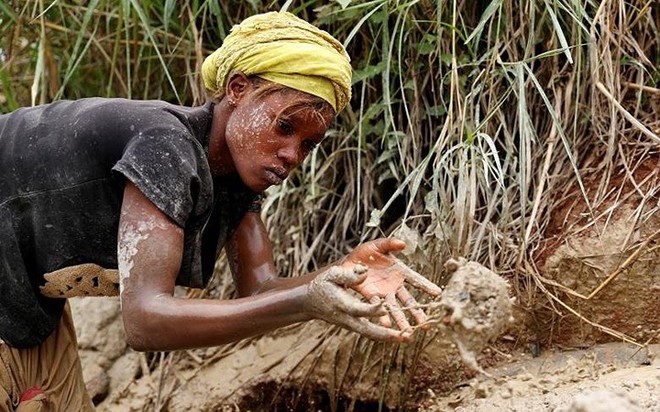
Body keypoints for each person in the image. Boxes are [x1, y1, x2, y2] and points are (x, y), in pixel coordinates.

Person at [0, 11, 441, 410]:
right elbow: (145, 320)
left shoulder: (231, 179)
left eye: (307, 144)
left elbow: (262, 290)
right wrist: (306, 302)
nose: (292, 154)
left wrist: (340, 275)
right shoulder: (165, 143)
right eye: (284, 127)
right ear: (238, 89)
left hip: (25, 305)